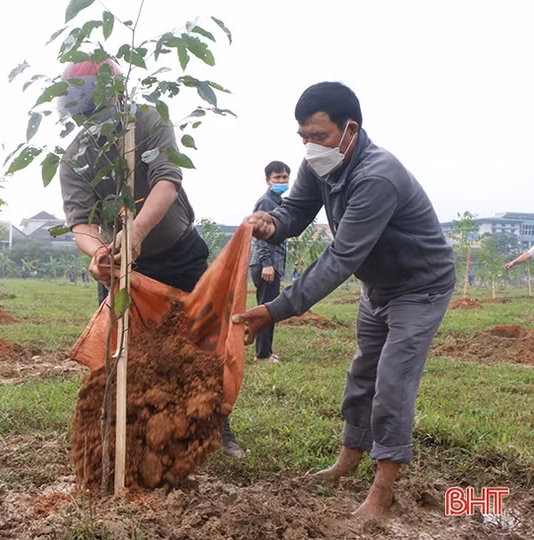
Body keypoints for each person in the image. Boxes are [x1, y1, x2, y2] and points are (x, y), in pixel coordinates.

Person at [232, 82, 456, 519]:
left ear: (350, 129)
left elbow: (340, 257)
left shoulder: (377, 176)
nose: (310, 147)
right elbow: (295, 210)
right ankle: (348, 459)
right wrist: (271, 224)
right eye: (304, 137)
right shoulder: (319, 163)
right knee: (362, 375)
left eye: (319, 136)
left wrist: (274, 310)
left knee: (392, 381)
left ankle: (383, 489)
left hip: (419, 286)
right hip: (378, 287)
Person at [57, 59, 245, 459]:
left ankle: (215, 427)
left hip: (179, 254)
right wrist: (100, 253)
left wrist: (137, 232)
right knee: (120, 351)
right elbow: (81, 222)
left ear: (116, 96)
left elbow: (167, 180)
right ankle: (129, 436)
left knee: (201, 345)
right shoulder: (74, 158)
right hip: (123, 268)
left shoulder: (147, 121)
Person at [249, 161, 290, 363]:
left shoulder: (278, 201)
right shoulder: (266, 202)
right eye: (277, 177)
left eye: (285, 177)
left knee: (270, 307)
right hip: (266, 263)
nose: (282, 181)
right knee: (267, 308)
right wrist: (267, 264)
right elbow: (259, 235)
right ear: (268, 180)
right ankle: (262, 355)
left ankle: (266, 350)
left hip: (273, 264)